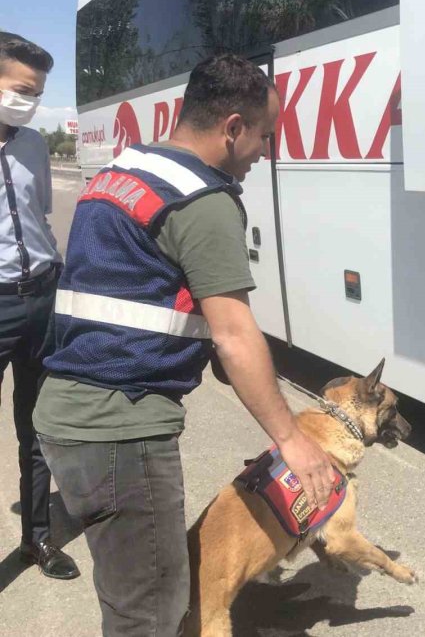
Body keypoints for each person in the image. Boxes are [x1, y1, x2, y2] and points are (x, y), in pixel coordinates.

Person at [33, 54, 334, 635]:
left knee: (127, 594)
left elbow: (144, 295)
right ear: (232, 128)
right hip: (120, 429)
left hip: (68, 417)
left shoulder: (123, 171)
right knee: (150, 613)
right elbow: (232, 331)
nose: (264, 153)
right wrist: (292, 439)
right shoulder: (202, 199)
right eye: (264, 137)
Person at [0, 32, 79, 581]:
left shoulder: (31, 145)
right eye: (22, 89)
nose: (29, 102)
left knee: (40, 425)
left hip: (43, 298)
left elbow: (38, 219)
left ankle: (37, 539)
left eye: (37, 92)